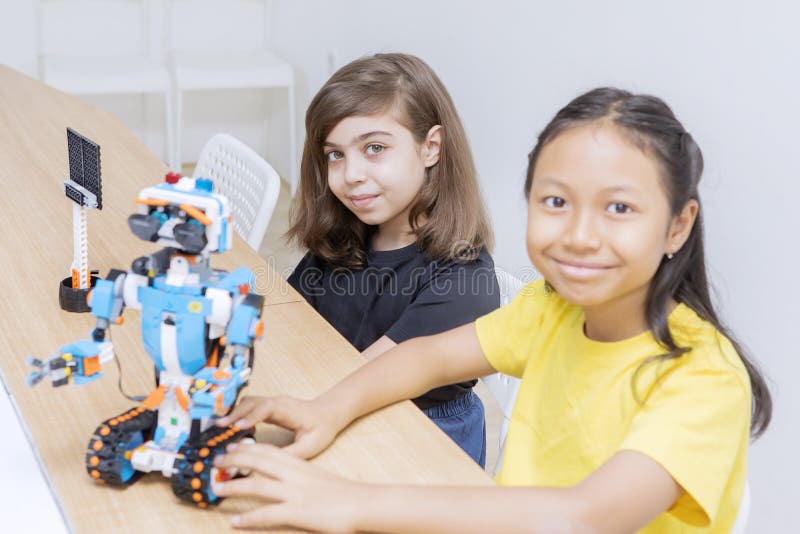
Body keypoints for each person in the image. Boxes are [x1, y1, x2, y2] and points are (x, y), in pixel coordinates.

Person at [213, 87, 772, 533]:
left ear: (678, 224)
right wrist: (327, 409)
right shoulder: (550, 310)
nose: (579, 235)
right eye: (555, 201)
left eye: (618, 207)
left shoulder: (704, 379)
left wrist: (352, 504)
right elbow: (426, 357)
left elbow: (580, 518)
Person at [284, 52, 500, 466]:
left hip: (421, 437)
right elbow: (288, 318)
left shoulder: (462, 281)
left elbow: (356, 379)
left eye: (375, 148)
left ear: (431, 147)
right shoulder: (347, 235)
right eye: (335, 155)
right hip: (343, 409)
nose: (351, 175)